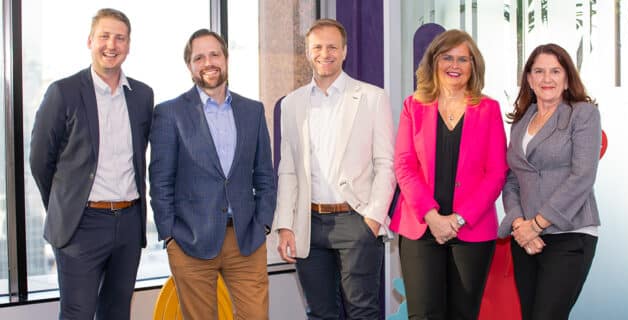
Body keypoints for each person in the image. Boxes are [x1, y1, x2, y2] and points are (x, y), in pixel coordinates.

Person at [29, 8, 153, 319]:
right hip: (82, 225)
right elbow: (40, 160)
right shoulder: (63, 92)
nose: (111, 45)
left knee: (116, 312)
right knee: (77, 313)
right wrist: (67, 204)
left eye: (120, 38)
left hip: (128, 222)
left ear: (128, 45)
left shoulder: (142, 95)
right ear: (90, 41)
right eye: (105, 36)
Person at [272, 19, 396, 319]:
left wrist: (373, 219)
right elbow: (287, 168)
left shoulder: (372, 97)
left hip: (357, 220)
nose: (324, 53)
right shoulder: (291, 104)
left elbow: (386, 163)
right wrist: (285, 225)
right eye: (317, 47)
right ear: (307, 52)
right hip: (308, 224)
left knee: (362, 311)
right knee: (320, 313)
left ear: (344, 52)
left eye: (331, 47)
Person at [149, 28, 276, 320]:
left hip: (246, 239)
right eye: (199, 57)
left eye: (215, 54)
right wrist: (169, 236)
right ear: (190, 66)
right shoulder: (170, 113)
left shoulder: (253, 111)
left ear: (227, 59)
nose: (208, 62)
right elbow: (160, 181)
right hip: (190, 241)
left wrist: (264, 224)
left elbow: (265, 176)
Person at [389, 29, 508, 320]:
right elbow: (404, 165)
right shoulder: (413, 106)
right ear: (434, 61)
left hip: (471, 229)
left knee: (463, 314)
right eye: (447, 57)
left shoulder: (489, 109)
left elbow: (496, 173)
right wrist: (432, 216)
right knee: (424, 314)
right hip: (420, 228)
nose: (455, 65)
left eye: (463, 59)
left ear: (473, 66)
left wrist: (458, 219)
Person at [498, 43, 601, 320]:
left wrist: (537, 224)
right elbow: (511, 180)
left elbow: (582, 177)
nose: (547, 79)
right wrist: (520, 224)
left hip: (570, 234)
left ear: (567, 77)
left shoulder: (583, 114)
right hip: (526, 240)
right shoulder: (521, 121)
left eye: (555, 71)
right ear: (529, 79)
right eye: (539, 71)